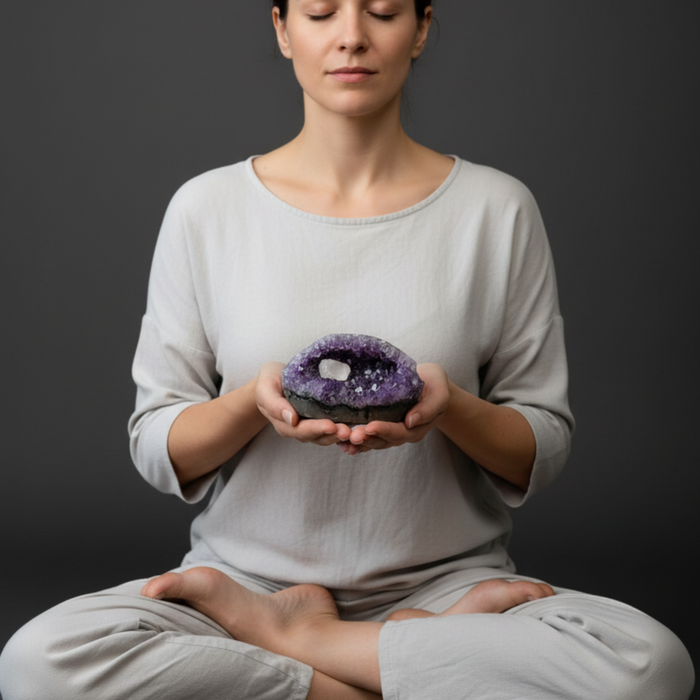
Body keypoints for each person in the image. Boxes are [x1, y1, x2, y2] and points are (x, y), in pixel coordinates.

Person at [0, 1, 694, 698]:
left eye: (384, 11)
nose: (352, 36)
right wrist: (250, 403)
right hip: (243, 593)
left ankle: (308, 642)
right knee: (39, 664)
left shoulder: (497, 209)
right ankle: (382, 666)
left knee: (651, 669)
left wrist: (448, 406)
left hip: (451, 591)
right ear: (281, 28)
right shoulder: (206, 209)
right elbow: (157, 443)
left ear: (421, 27)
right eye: (323, 10)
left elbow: (542, 445)